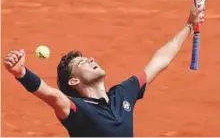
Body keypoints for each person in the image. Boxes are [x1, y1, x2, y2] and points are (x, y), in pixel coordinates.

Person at [3, 7, 202, 137]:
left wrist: (188, 25)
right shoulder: (77, 110)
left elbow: (159, 61)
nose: (91, 59)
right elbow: (50, 94)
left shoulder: (123, 94)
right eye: (81, 63)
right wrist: (21, 72)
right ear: (73, 82)